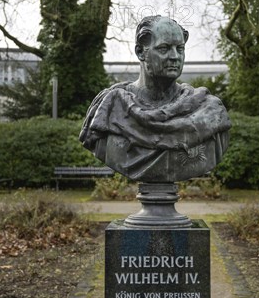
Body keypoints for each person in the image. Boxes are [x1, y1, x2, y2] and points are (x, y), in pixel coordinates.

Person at [80, 15, 231, 182]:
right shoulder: (110, 107)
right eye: (164, 48)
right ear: (140, 52)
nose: (175, 56)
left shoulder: (209, 111)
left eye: (180, 49)